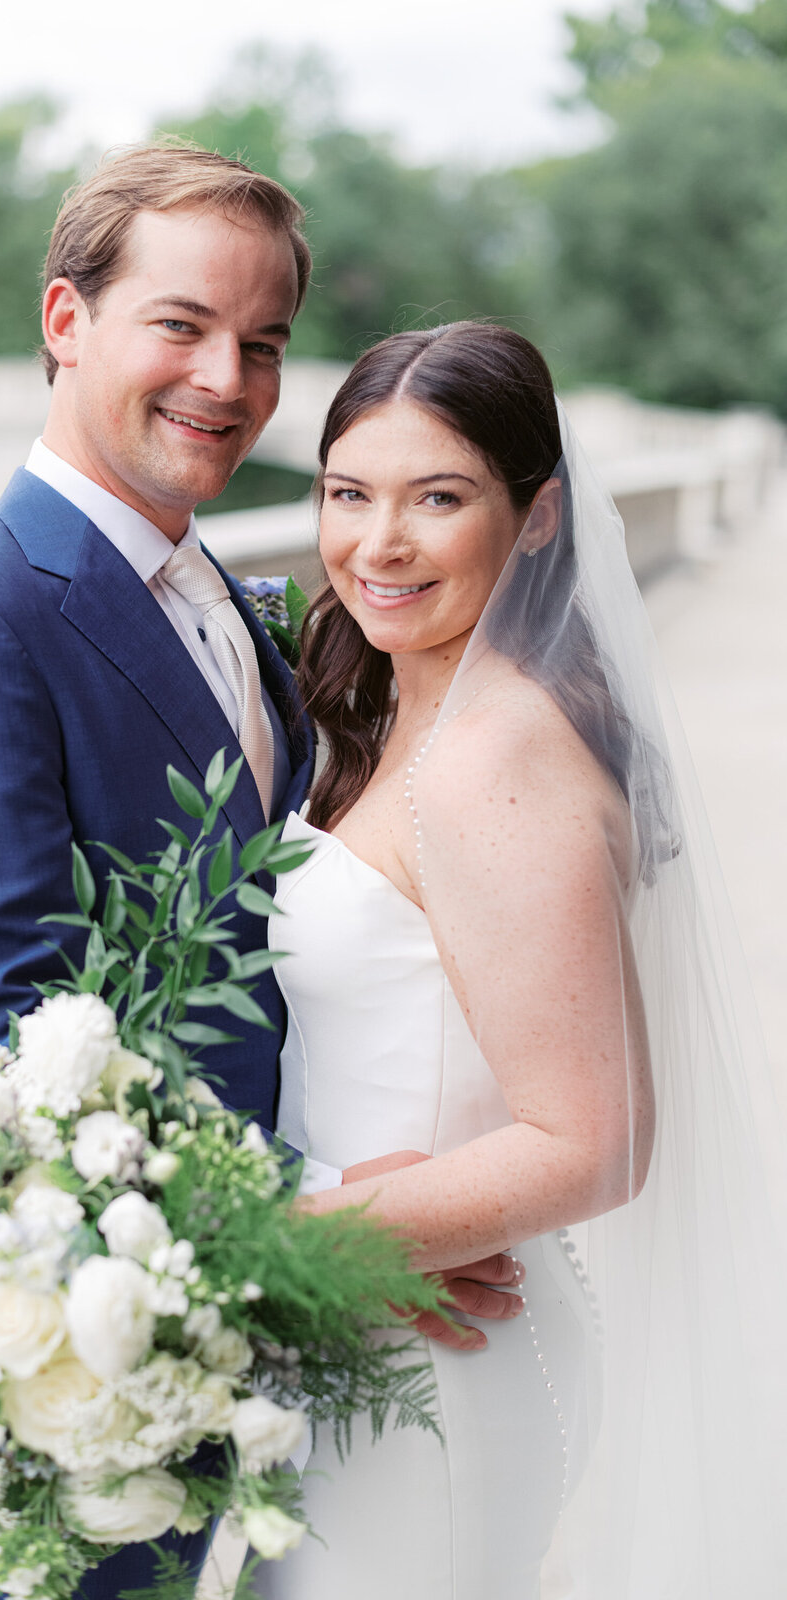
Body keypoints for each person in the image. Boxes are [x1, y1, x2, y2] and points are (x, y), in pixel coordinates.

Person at [0, 149, 520, 1600]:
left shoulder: (235, 598)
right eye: (182, 324)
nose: (228, 375)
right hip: (80, 1386)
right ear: (65, 318)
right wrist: (341, 1221)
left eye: (264, 341)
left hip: (259, 1372)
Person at [256, 321, 787, 1598]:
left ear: (538, 516)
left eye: (437, 498)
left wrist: (278, 1240)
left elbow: (588, 1137)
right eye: (348, 493)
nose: (377, 544)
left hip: (427, 1363)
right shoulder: (406, 713)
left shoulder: (497, 758)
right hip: (375, 1321)